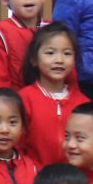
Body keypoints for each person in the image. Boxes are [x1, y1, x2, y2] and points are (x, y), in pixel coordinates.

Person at [17, 23, 82, 167]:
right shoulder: (23, 100)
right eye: (50, 53)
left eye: (67, 53)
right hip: (33, 176)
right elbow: (16, 147)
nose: (59, 60)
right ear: (34, 59)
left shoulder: (83, 103)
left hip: (74, 177)